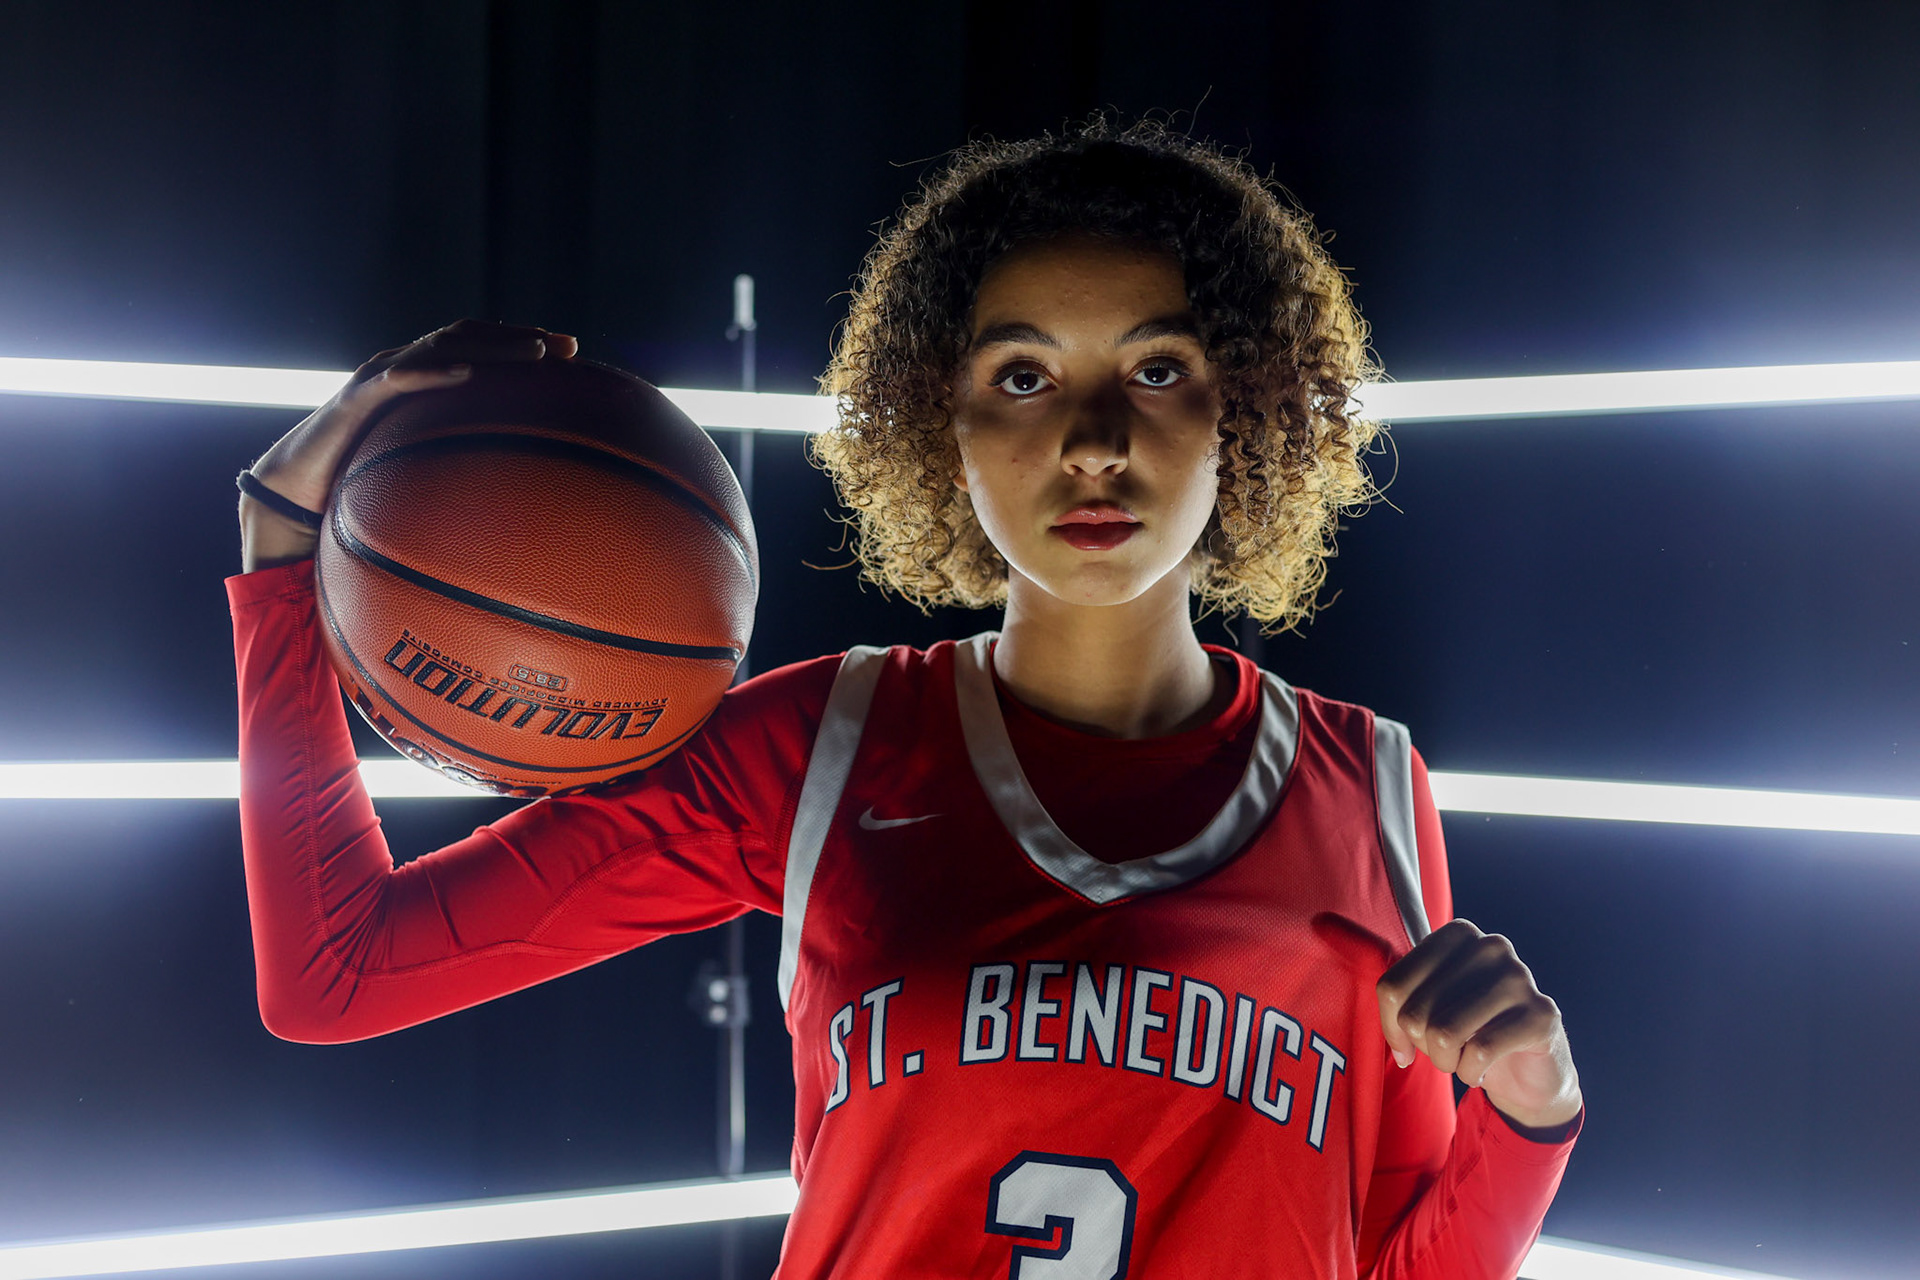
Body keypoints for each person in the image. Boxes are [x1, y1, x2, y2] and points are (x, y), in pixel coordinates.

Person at [231, 120, 1582, 1278]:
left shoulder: (1370, 787)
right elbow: (340, 970)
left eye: (1159, 369)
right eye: (1022, 376)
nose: (1097, 439)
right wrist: (284, 564)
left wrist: (1533, 1112)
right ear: (943, 422)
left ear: (1251, 407)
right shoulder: (814, 753)